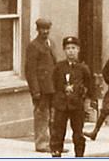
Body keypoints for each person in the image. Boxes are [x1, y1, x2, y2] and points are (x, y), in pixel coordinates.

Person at [50, 36, 94, 158]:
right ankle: (56, 156)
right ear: (64, 50)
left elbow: (89, 86)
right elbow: (54, 84)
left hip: (77, 105)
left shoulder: (83, 68)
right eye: (68, 48)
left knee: (78, 134)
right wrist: (61, 92)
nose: (71, 51)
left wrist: (86, 103)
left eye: (73, 48)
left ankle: (79, 156)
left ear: (78, 49)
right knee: (58, 133)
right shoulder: (59, 67)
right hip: (61, 105)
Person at [25, 18, 57, 153]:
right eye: (42, 29)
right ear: (37, 29)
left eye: (47, 28)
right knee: (41, 115)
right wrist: (35, 91)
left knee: (54, 116)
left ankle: (53, 143)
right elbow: (30, 70)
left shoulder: (51, 43)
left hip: (53, 87)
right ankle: (41, 143)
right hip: (41, 88)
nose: (45, 31)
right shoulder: (34, 45)